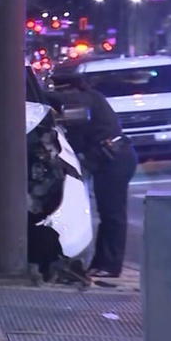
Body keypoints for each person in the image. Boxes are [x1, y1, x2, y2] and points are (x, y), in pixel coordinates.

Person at [49, 71, 138, 278]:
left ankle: (110, 266)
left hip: (113, 158)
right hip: (110, 158)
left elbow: (61, 99)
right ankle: (101, 263)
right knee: (108, 214)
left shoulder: (85, 98)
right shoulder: (90, 97)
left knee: (112, 214)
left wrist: (32, 92)